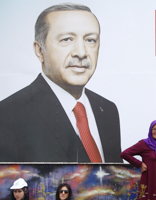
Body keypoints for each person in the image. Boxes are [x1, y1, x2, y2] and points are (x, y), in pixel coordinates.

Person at [0, 3, 122, 163]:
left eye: (90, 40)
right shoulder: (8, 114)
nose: (81, 52)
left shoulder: (108, 109)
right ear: (39, 50)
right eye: (67, 39)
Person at [120, 120, 156, 200]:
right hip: (151, 181)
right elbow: (124, 154)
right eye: (154, 129)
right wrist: (140, 164)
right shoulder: (144, 144)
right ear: (150, 130)